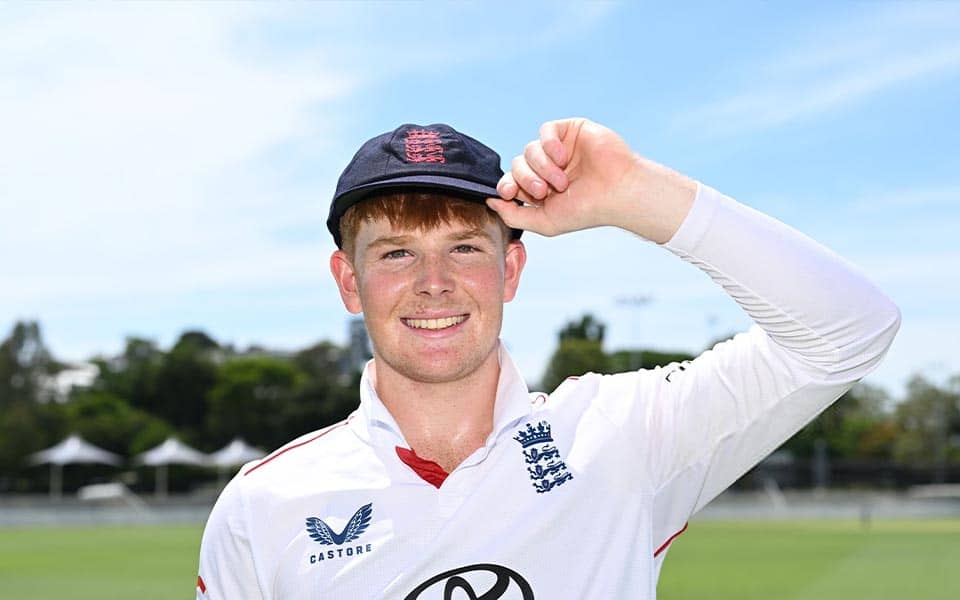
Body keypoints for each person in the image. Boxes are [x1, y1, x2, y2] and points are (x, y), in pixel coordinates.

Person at [196, 119, 900, 599]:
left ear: (510, 270)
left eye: (465, 248)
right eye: (397, 253)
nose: (434, 283)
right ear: (349, 282)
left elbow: (850, 328)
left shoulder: (619, 435)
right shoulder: (264, 504)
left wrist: (636, 194)